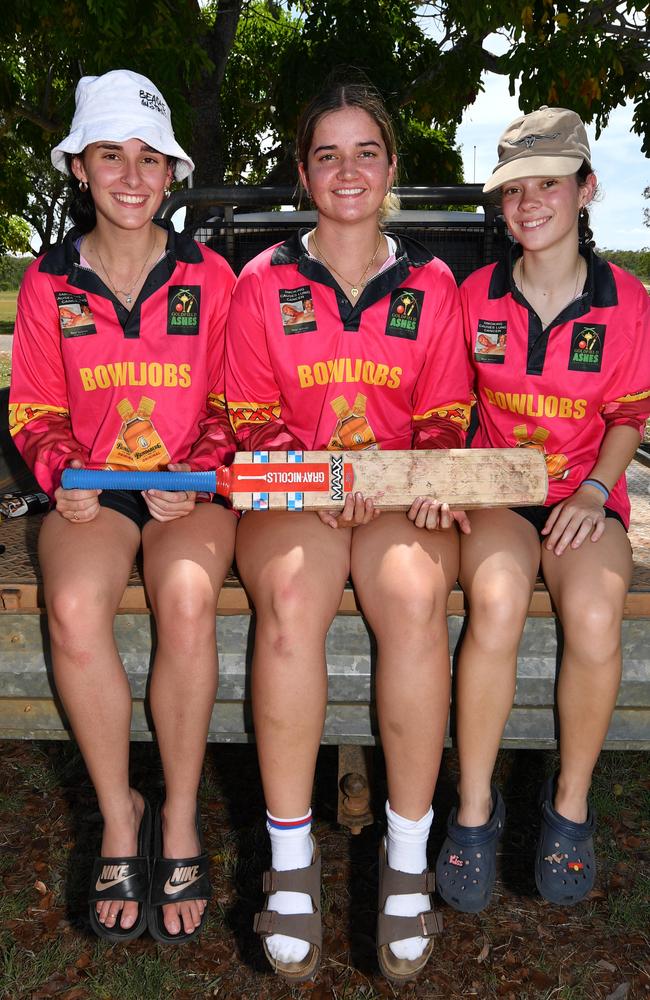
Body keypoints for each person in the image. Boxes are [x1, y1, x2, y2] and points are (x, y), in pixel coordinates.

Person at [225, 77, 472, 983]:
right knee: (291, 597)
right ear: (303, 173)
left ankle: (406, 854)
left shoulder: (433, 284)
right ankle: (291, 861)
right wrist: (312, 475)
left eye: (366, 150)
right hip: (298, 496)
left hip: (401, 497)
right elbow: (249, 414)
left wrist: (409, 480)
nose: (348, 169)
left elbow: (447, 416)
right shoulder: (264, 282)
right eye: (327, 153)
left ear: (392, 166)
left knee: (411, 599)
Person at [9, 69, 237, 944]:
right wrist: (65, 470)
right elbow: (34, 410)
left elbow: (236, 403)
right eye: (112, 156)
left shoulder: (211, 278)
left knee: (185, 598)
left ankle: (179, 815)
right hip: (92, 496)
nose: (133, 178)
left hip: (192, 493)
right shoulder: (47, 284)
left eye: (149, 159)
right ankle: (119, 813)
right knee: (71, 608)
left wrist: (194, 470)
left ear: (173, 173)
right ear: (79, 167)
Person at [435, 106, 650, 913]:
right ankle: (475, 808)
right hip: (499, 489)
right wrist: (448, 479)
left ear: (586, 190)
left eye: (548, 185)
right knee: (493, 602)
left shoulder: (625, 299)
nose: (528, 204)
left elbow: (629, 413)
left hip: (585, 494)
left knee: (596, 615)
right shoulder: (473, 293)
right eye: (514, 189)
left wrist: (596, 491)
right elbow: (449, 404)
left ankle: (568, 807)